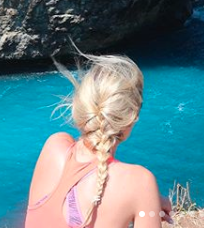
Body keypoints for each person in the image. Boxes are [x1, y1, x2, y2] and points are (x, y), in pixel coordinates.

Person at [25, 52, 173, 228]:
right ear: (133, 117)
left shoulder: (54, 145)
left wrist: (151, 199)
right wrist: (147, 200)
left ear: (82, 104)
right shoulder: (140, 183)